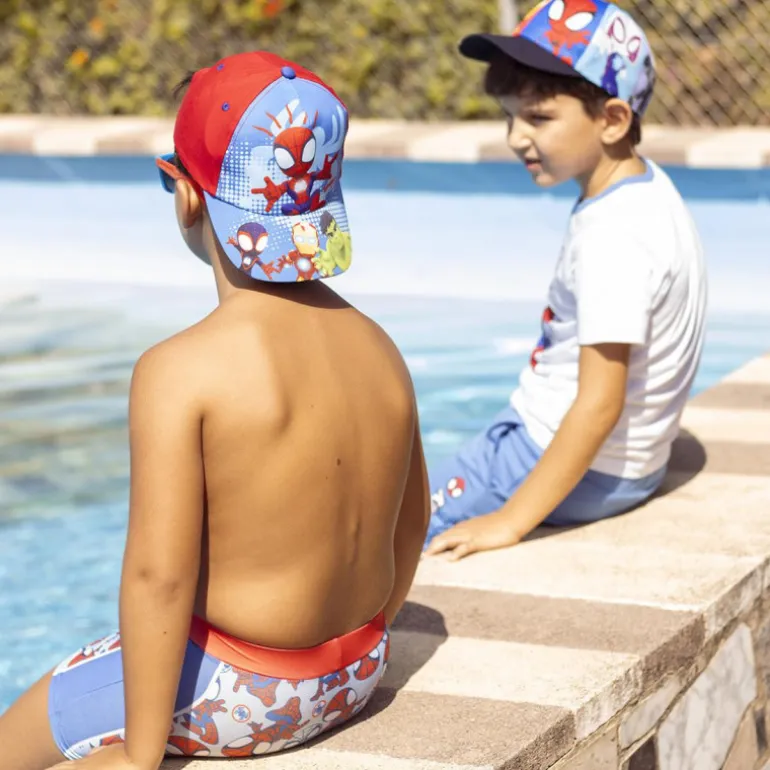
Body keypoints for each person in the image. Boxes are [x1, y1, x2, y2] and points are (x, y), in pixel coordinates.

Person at [0, 51, 430, 769]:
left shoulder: (178, 370)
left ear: (187, 195)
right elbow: (411, 522)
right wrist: (364, 641)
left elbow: (158, 579)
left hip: (241, 695)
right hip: (357, 670)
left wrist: (138, 755)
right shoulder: (381, 348)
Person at [424, 0, 707, 561]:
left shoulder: (614, 235)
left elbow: (599, 403)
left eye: (538, 118)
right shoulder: (644, 189)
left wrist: (509, 521)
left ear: (612, 120)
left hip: (571, 462)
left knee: (392, 523)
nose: (515, 137)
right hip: (618, 466)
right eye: (510, 116)